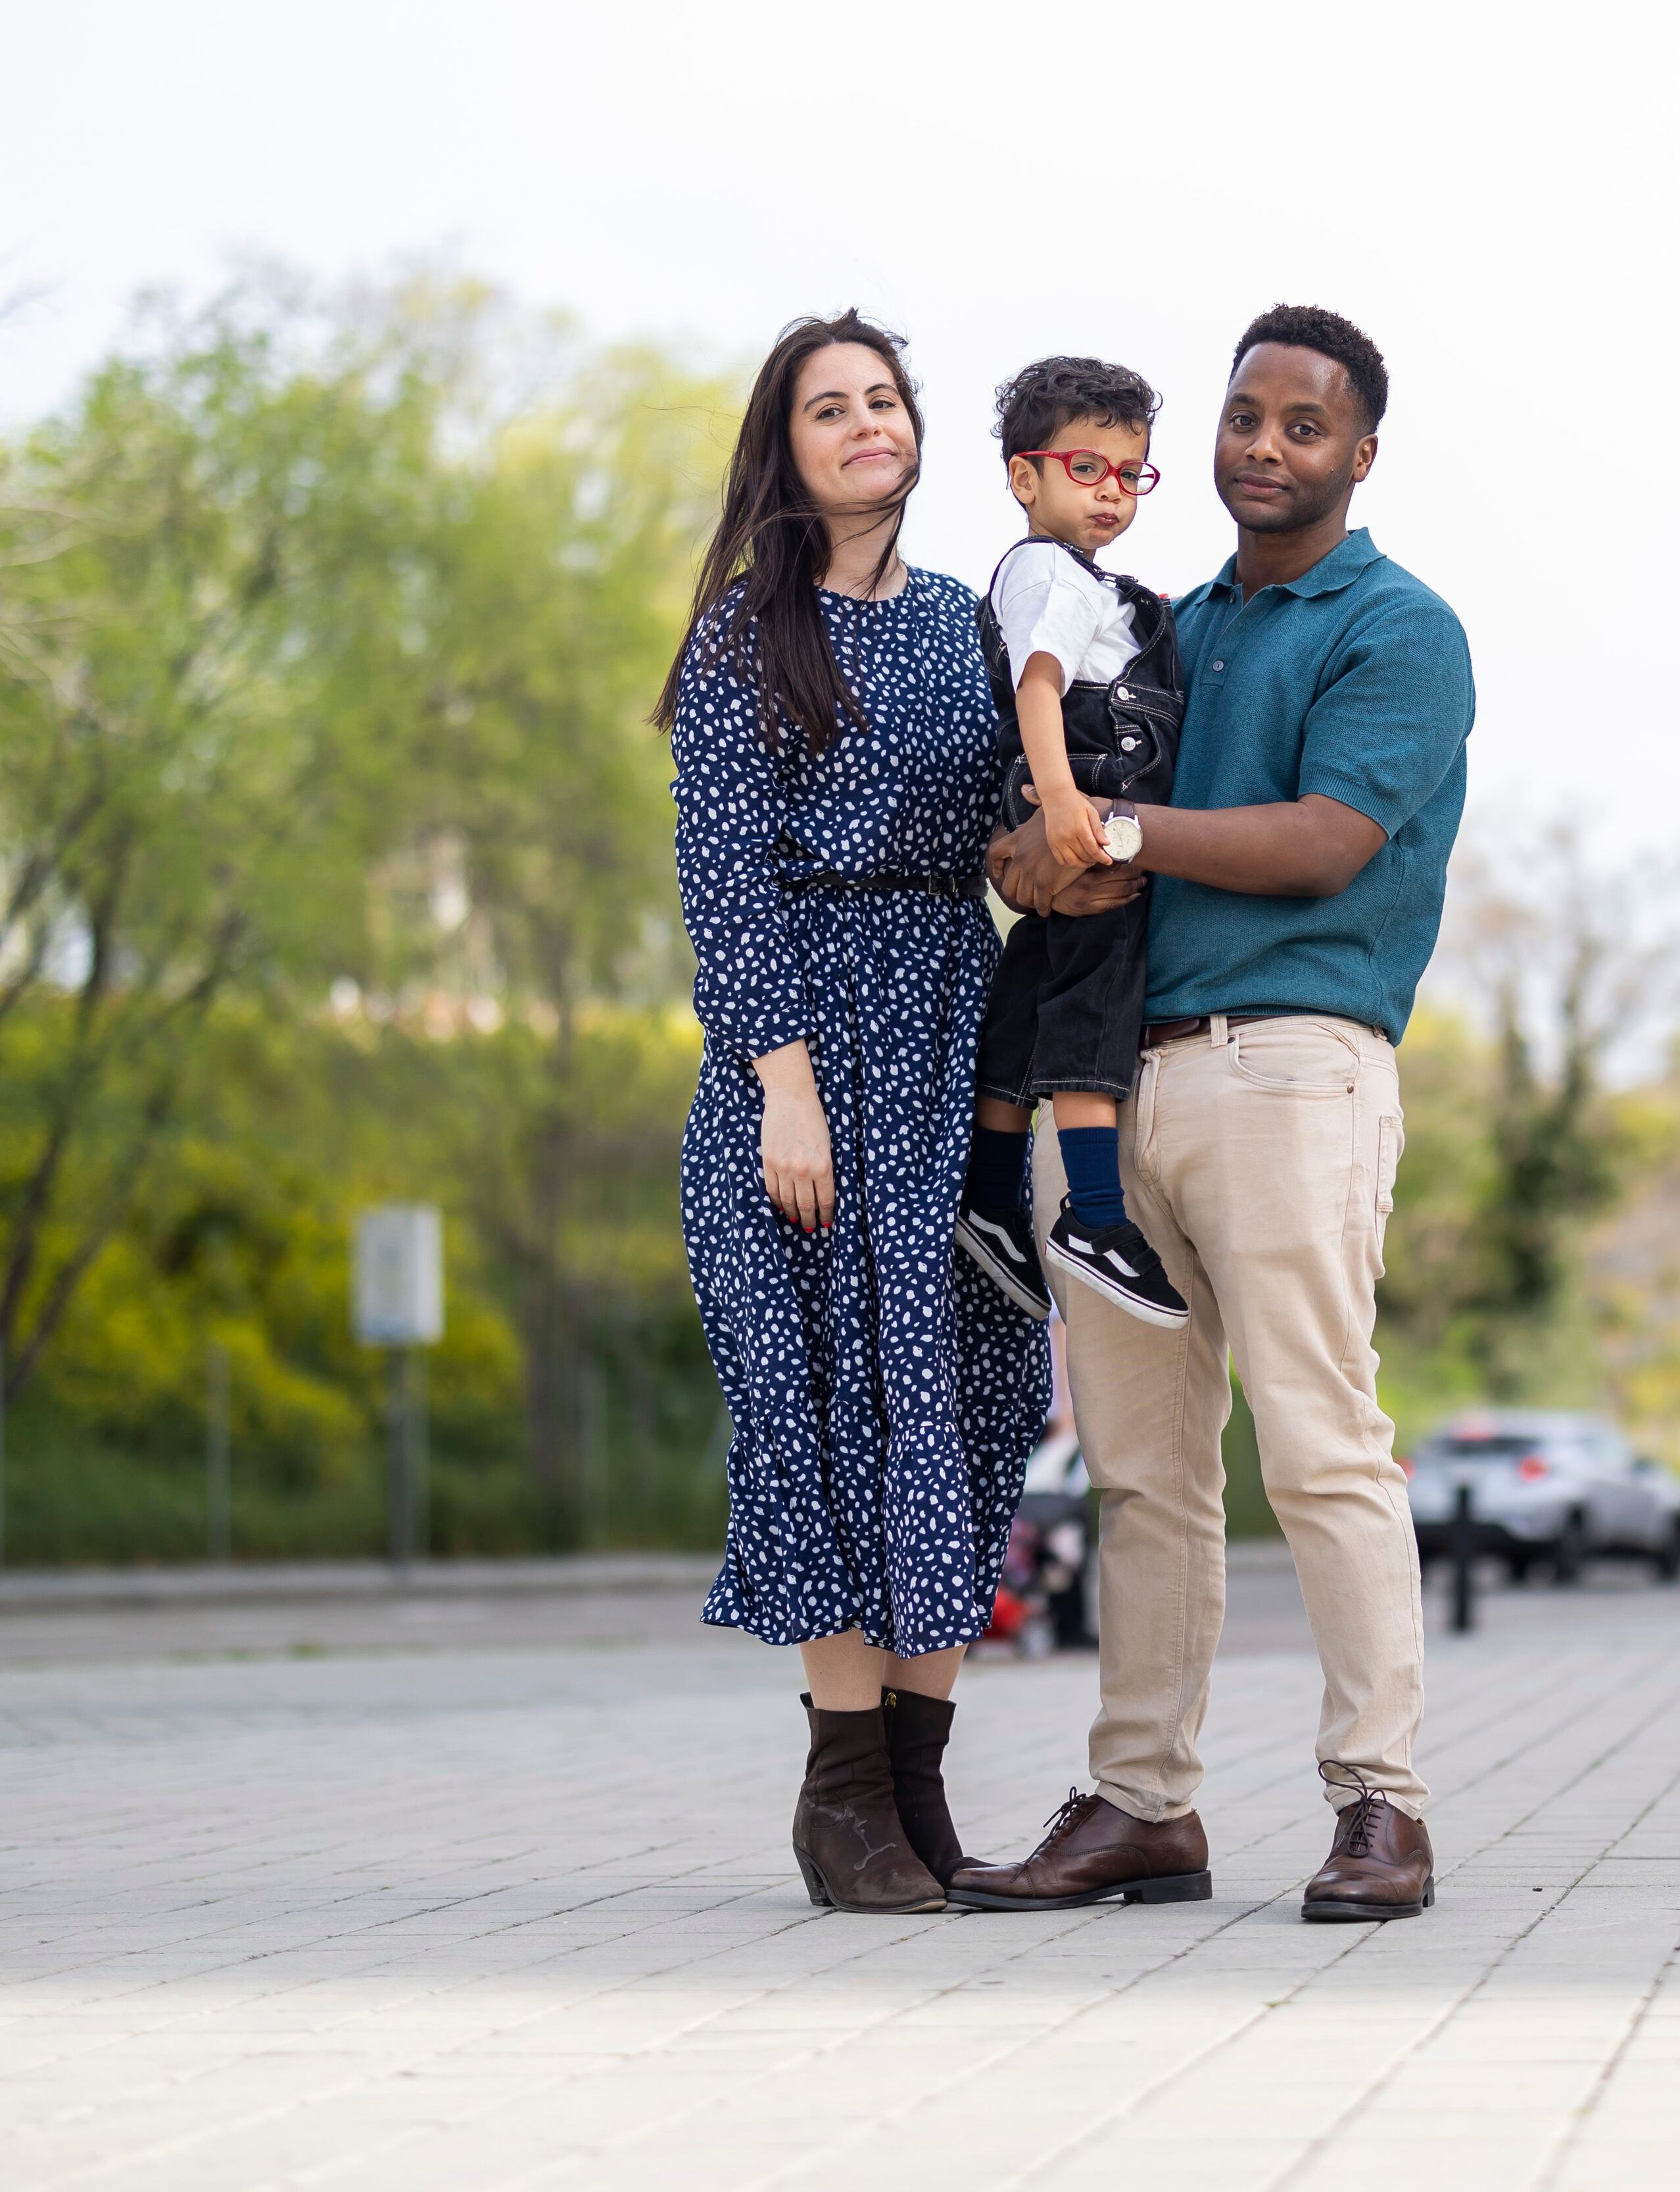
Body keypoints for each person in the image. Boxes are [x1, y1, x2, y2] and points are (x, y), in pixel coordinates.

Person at [952, 306, 1472, 1924]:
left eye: (1302, 425)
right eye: (1244, 416)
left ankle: (1380, 1805)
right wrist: (1018, 849)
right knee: (1141, 1471)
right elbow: (1046, 813)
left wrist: (1104, 823)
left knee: (1322, 1446)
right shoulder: (1159, 621)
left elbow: (1323, 841)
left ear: (1358, 453)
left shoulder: (1397, 626)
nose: (1265, 445)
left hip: (1291, 1067)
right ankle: (1140, 1804)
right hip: (1111, 1079)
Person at [658, 310, 1051, 1917]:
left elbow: (1016, 824)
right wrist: (785, 1086)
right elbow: (724, 878)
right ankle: (839, 1799)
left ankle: (918, 1783)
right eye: (831, 407)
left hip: (955, 1027)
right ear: (788, 444)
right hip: (804, 1062)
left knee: (962, 1405)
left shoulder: (969, 620)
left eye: (884, 399)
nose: (865, 424)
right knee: (817, 1417)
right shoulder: (748, 638)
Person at [956, 355, 1190, 1332]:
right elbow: (1042, 685)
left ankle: (992, 1192)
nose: (1111, 493)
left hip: (1073, 783)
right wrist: (1062, 804)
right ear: (1026, 478)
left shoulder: (1080, 578)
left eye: (1130, 473)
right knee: (1097, 985)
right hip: (1090, 789)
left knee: (1036, 986)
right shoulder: (1049, 573)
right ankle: (1093, 1214)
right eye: (1085, 469)